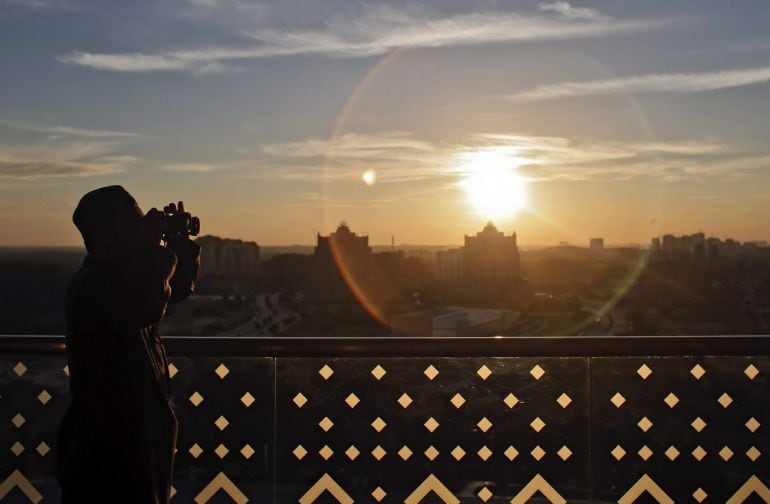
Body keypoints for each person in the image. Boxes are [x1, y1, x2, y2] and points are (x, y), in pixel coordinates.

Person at [57, 185, 200, 503]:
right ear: (106, 236)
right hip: (107, 460)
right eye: (133, 225)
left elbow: (172, 290)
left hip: (133, 449)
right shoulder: (92, 286)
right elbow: (146, 305)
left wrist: (179, 247)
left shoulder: (125, 277)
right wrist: (153, 249)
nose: (142, 231)